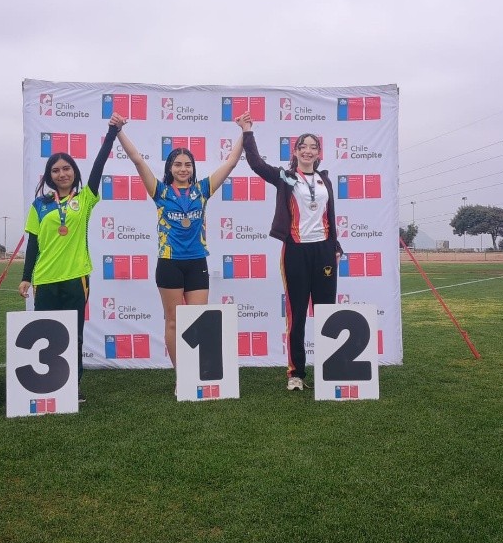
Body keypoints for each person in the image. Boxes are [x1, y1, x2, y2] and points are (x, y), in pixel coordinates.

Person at [115, 111, 252, 370]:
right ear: (170, 168)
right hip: (169, 263)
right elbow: (137, 161)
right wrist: (119, 131)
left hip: (197, 262)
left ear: (193, 168)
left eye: (187, 164)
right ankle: (182, 373)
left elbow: (232, 163)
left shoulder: (202, 189)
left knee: (197, 319)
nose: (182, 169)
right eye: (177, 164)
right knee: (173, 322)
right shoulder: (160, 191)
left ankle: (196, 370)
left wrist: (244, 130)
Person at [19, 114, 124, 402]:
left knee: (73, 336)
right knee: (46, 335)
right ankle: (46, 386)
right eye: (56, 170)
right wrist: (27, 277)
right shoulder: (39, 204)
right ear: (49, 175)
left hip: (76, 279)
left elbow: (100, 165)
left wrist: (112, 132)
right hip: (45, 279)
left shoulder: (85, 198)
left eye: (66, 169)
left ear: (74, 172)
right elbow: (33, 242)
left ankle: (71, 388)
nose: (62, 174)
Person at [241, 123, 343, 391]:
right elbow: (256, 164)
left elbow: (328, 216)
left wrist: (336, 245)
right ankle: (296, 373)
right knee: (297, 314)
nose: (308, 151)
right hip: (296, 250)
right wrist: (247, 132)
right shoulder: (286, 177)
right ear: (295, 151)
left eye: (313, 147)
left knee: (325, 313)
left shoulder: (325, 180)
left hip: (324, 252)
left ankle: (330, 369)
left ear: (319, 152)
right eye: (303, 146)